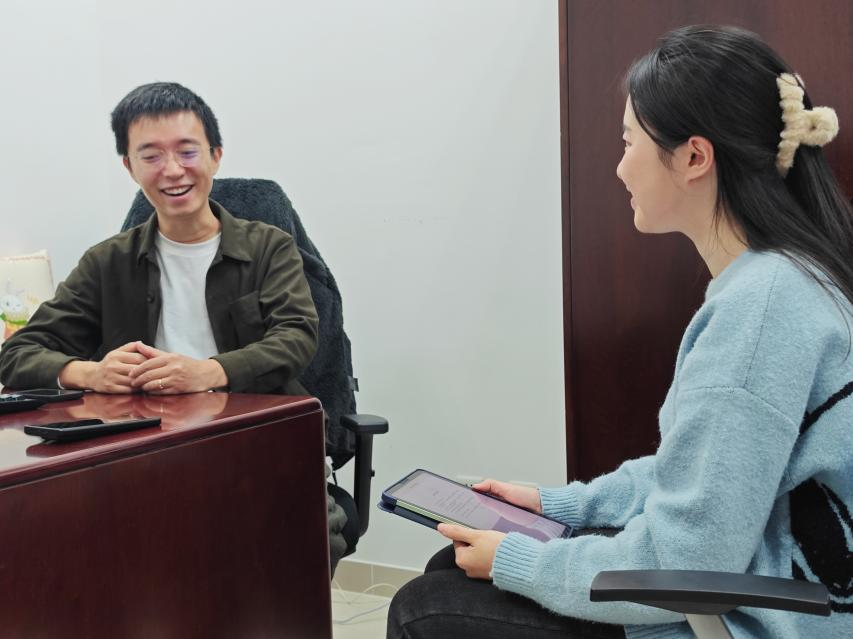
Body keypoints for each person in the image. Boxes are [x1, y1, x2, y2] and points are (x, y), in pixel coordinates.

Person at [388, 25, 853, 639]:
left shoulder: (762, 308)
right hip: (758, 583)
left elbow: (688, 562)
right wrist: (559, 507)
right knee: (454, 567)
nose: (619, 165)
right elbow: (701, 478)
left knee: (425, 608)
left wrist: (520, 559)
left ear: (694, 158)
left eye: (629, 140)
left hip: (764, 616)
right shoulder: (791, 280)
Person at [0, 82, 349, 572]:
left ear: (215, 156)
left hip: (257, 443)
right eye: (151, 156)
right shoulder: (108, 261)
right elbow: (18, 354)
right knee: (70, 538)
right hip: (142, 451)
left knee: (306, 540)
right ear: (130, 167)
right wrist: (90, 372)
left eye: (187, 151)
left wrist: (209, 372)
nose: (172, 170)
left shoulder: (269, 246)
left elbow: (297, 336)